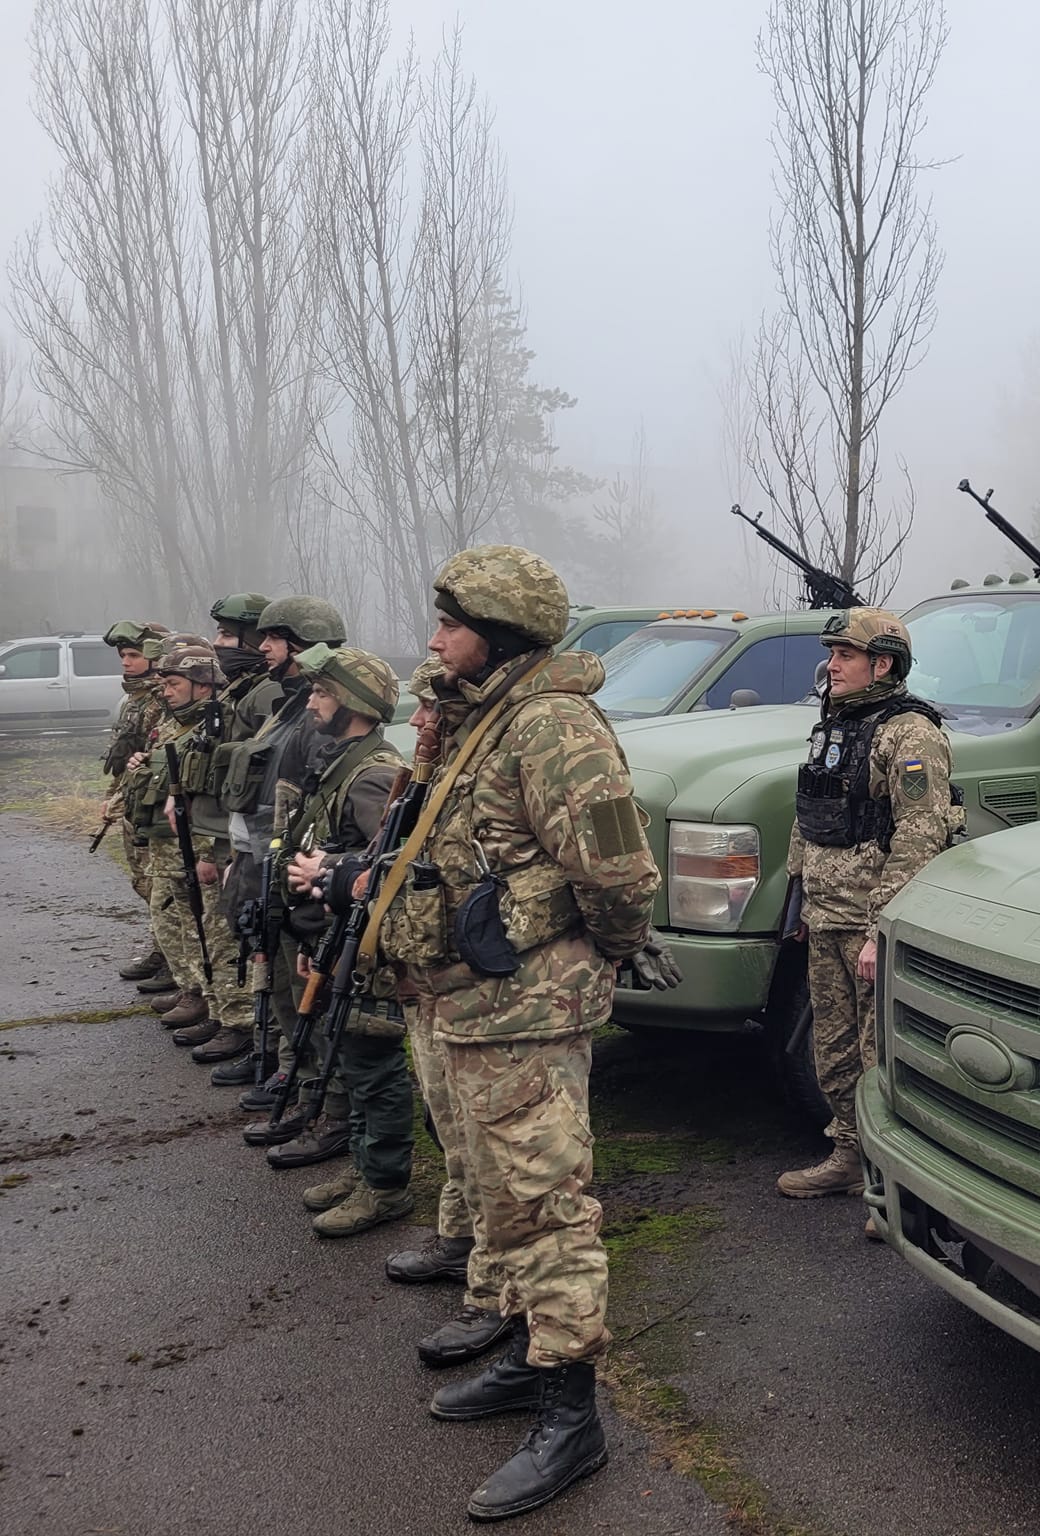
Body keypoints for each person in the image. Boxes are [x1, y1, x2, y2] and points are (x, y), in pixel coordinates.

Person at [366, 544, 670, 1522]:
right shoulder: (481, 713)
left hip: (528, 1008)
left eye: (449, 622)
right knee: (495, 1193)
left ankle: (570, 1414)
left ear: (493, 634)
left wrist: (610, 955)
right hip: (468, 1000)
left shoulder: (553, 727)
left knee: (545, 1207)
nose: (432, 637)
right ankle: (519, 1347)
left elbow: (619, 876)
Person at [780, 608, 956, 1213]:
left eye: (844, 656)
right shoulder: (834, 725)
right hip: (826, 916)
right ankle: (850, 1157)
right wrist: (799, 893)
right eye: (831, 655)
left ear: (882, 664)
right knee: (832, 1051)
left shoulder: (911, 734)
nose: (831, 665)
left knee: (881, 1057)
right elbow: (809, 811)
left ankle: (896, 1190)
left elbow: (920, 834)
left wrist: (884, 929)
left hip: (870, 924)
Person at [382, 661, 514, 1371]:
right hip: (425, 976)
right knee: (443, 1117)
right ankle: (457, 1233)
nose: (418, 723)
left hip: (472, 982)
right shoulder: (425, 782)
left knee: (477, 1134)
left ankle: (492, 1290)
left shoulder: (480, 777)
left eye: (430, 712)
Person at [280, 643, 412, 1235]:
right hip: (337, 937)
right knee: (351, 1061)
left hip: (364, 946)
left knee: (372, 1064)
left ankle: (385, 1186)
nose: (312, 701)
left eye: (323, 692)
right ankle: (364, 1170)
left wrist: (328, 867)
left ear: (353, 703)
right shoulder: (341, 764)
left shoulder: (370, 773)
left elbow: (390, 863)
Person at [235, 595, 351, 1132]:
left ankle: (323, 1102)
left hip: (301, 878)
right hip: (272, 866)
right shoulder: (291, 704)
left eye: (274, 640)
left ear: (304, 645)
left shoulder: (319, 714)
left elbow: (316, 808)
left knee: (308, 996)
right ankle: (301, 1081)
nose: (262, 648)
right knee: (281, 986)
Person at [184, 593, 285, 1071]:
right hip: (223, 830)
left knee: (241, 942)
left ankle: (245, 1028)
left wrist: (226, 849)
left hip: (242, 838)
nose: (218, 644)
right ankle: (235, 1020)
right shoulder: (239, 689)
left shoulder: (265, 694)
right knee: (227, 933)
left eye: (227, 635)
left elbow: (261, 783)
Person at [136, 639, 241, 1055]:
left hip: (201, 849)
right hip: (171, 844)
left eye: (175, 681)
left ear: (202, 684)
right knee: (185, 928)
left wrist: (204, 854)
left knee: (213, 936)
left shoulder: (217, 726)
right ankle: (204, 999)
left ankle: (230, 1017)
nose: (166, 690)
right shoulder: (176, 723)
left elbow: (210, 797)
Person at [102, 621, 170, 989]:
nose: (126, 662)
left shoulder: (161, 700)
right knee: (143, 883)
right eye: (123, 655)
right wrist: (114, 796)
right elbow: (124, 755)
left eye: (134, 655)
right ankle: (163, 951)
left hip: (151, 806)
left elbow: (153, 758)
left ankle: (173, 961)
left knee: (160, 888)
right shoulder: (133, 699)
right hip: (131, 802)